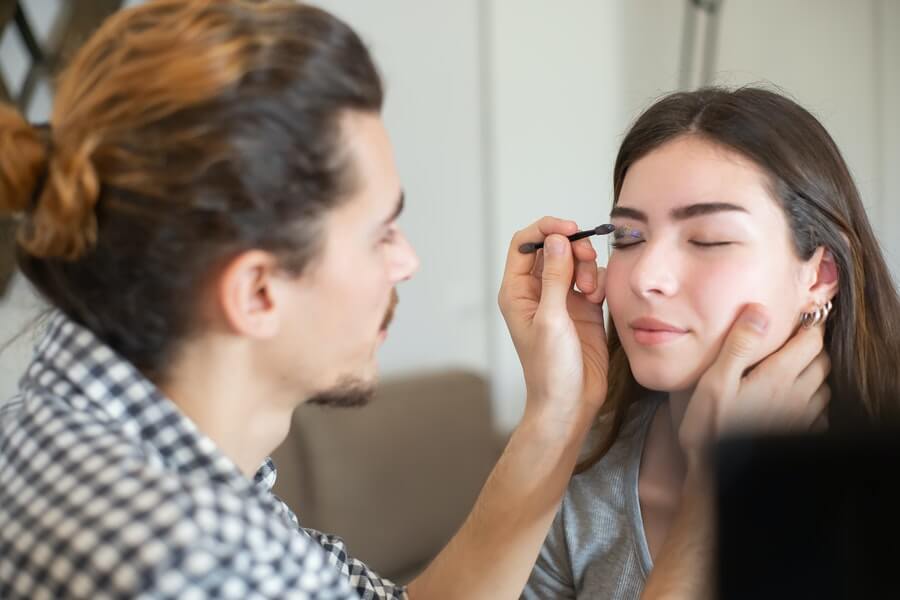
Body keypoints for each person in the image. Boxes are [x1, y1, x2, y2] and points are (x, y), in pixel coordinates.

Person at [0, 2, 831, 597]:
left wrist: (558, 409)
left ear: (819, 274)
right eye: (380, 234)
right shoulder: (181, 557)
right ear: (256, 291)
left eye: (712, 237)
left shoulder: (106, 425)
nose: (409, 262)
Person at [523, 86, 900, 600]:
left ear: (819, 275)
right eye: (629, 238)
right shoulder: (581, 475)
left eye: (708, 240)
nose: (646, 278)